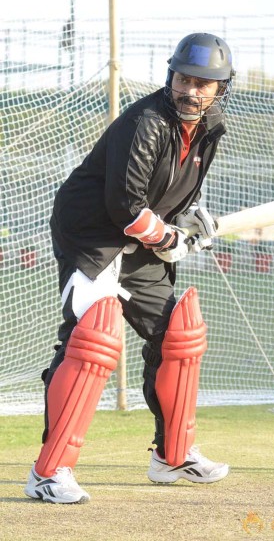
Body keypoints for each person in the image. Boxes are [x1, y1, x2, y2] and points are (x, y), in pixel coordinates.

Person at [24, 32, 235, 504]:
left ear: (220, 89)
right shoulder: (146, 121)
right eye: (185, 79)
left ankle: (172, 456)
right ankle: (48, 472)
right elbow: (124, 204)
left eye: (204, 84)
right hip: (94, 236)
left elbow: (174, 188)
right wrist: (168, 236)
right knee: (93, 339)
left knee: (180, 335)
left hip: (137, 240)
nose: (191, 91)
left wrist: (186, 219)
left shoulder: (210, 126)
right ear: (171, 76)